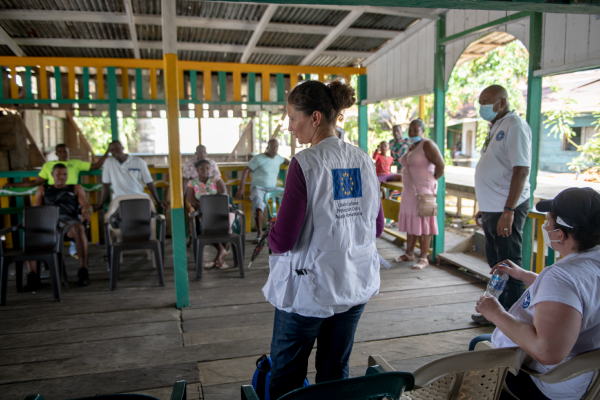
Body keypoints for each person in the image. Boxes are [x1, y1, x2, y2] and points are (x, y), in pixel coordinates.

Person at [264, 80, 385, 399]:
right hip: (355, 283)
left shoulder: (304, 163)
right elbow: (376, 228)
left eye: (293, 118)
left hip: (310, 290)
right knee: (334, 373)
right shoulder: (362, 159)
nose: (290, 127)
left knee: (287, 375)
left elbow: (283, 240)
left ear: (315, 117)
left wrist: (270, 232)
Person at [473, 187, 600, 400]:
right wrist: (526, 276)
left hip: (559, 385)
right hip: (593, 374)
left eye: (548, 222)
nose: (545, 226)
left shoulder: (561, 276)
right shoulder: (587, 263)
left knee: (479, 346)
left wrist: (496, 313)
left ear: (560, 235)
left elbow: (548, 351)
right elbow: (579, 293)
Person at [472, 84, 532, 326]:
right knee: (496, 263)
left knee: (510, 264)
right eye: (480, 102)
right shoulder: (497, 125)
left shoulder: (514, 125)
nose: (482, 106)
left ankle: (514, 318)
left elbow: (521, 169)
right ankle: (497, 312)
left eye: (486, 101)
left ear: (502, 102)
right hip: (493, 207)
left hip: (507, 209)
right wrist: (485, 206)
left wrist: (509, 210)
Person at [24, 164, 93, 290]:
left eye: (64, 174)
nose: (62, 177)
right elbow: (36, 208)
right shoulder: (43, 189)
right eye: (58, 174)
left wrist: (86, 211)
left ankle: (83, 271)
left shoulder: (75, 188)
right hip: (48, 225)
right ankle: (33, 276)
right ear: (52, 175)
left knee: (79, 228)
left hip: (68, 223)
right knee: (30, 231)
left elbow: (86, 204)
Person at [393, 118, 445, 270]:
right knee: (411, 221)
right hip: (409, 191)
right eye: (410, 130)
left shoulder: (427, 144)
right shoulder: (411, 146)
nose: (412, 133)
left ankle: (423, 257)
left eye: (416, 130)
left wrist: (432, 179)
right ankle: (409, 253)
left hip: (423, 190)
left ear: (423, 131)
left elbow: (440, 165)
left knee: (424, 223)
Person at [234, 139, 289, 242]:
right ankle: (259, 234)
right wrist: (241, 188)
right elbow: (246, 170)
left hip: (273, 187)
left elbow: (288, 161)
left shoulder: (278, 158)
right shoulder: (258, 158)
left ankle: (284, 230)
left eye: (277, 146)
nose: (275, 148)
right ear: (267, 147)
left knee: (288, 195)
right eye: (273, 146)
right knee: (259, 204)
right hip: (258, 188)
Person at [186, 159, 236, 269]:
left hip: (222, 209)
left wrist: (206, 202)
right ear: (197, 170)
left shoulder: (216, 179)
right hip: (204, 213)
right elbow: (192, 201)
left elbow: (223, 194)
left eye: (207, 168)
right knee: (208, 228)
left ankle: (219, 257)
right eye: (202, 168)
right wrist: (207, 205)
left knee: (227, 228)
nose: (205, 170)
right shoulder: (192, 183)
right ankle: (222, 252)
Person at [93, 141, 167, 212]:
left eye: (117, 148)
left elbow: (149, 182)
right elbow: (105, 185)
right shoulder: (108, 162)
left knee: (151, 214)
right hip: (119, 198)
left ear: (123, 148)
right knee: (109, 218)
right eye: (112, 150)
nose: (115, 151)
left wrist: (158, 201)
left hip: (139, 196)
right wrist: (100, 204)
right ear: (110, 152)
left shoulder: (139, 161)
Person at [3, 143, 109, 189]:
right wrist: (12, 184)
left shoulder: (76, 163)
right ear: (56, 154)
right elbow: (35, 182)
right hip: (53, 192)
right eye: (60, 152)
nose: (63, 153)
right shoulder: (48, 165)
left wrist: (108, 151)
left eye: (65, 151)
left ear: (68, 152)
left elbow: (97, 165)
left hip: (70, 192)